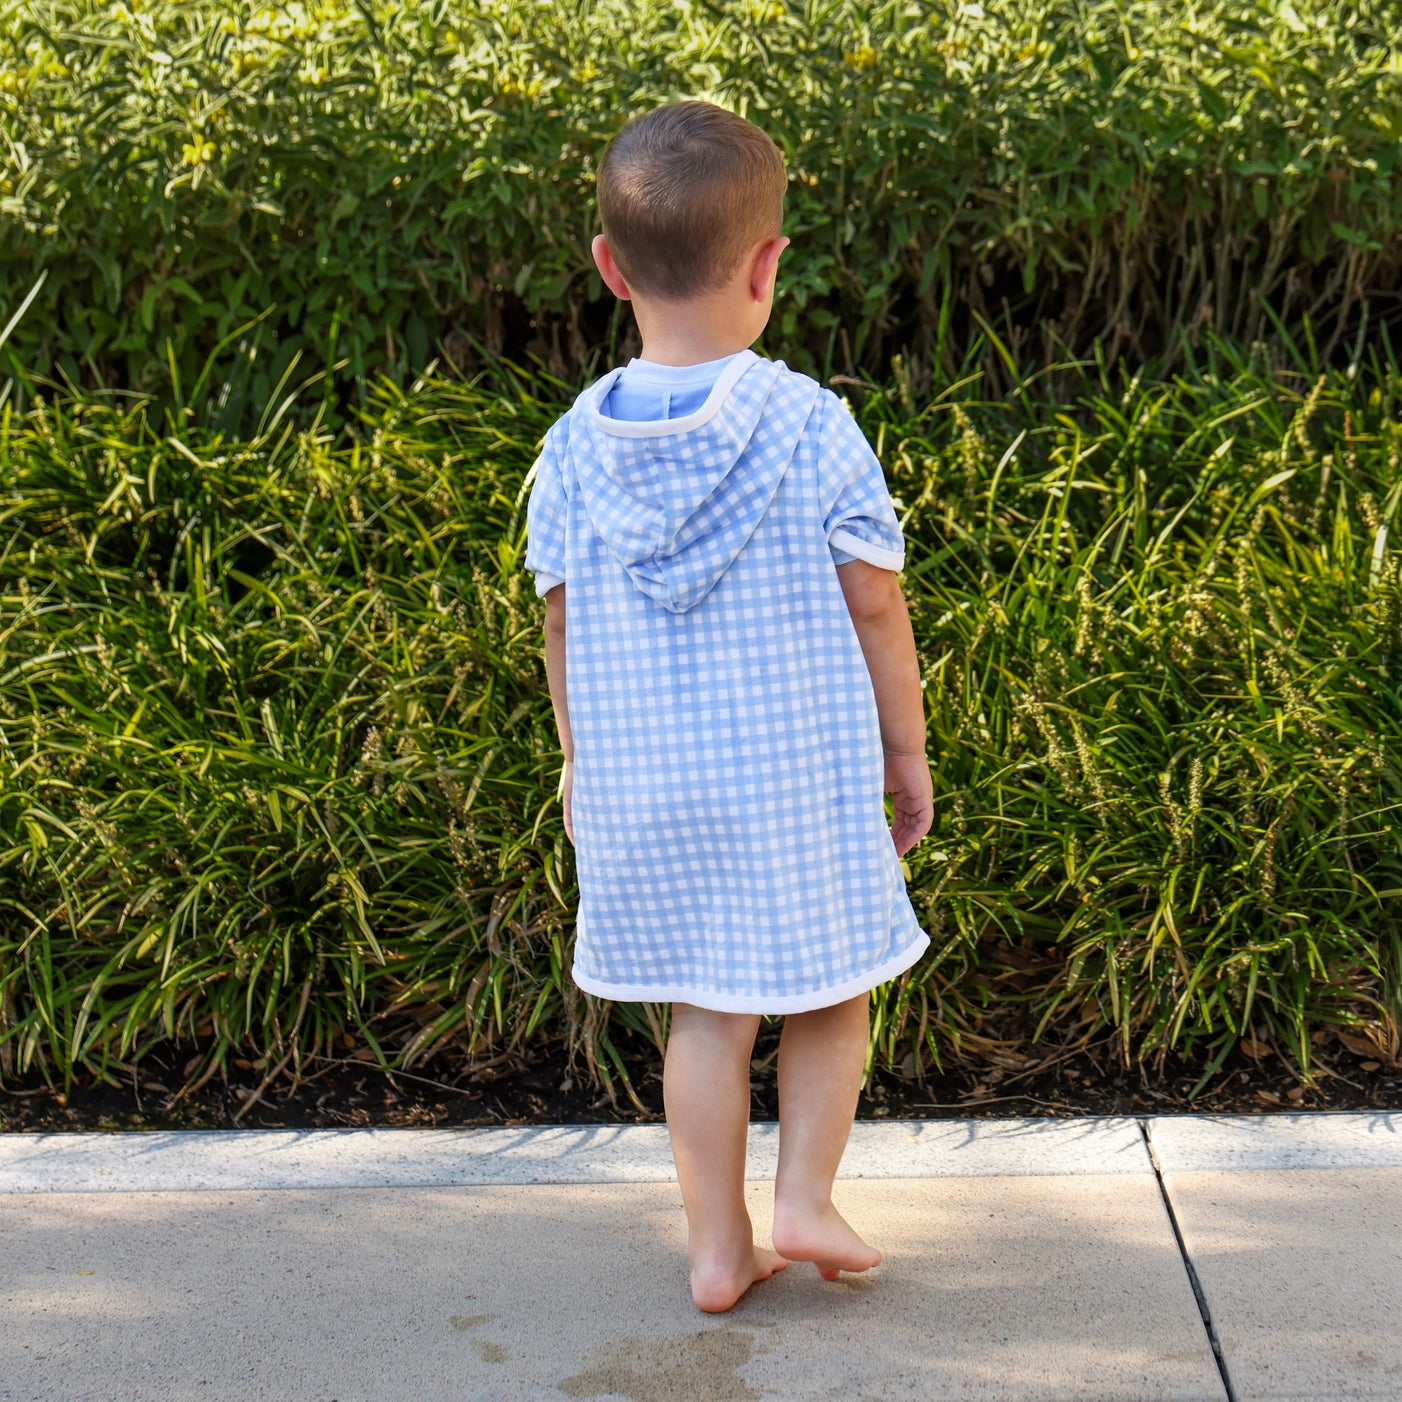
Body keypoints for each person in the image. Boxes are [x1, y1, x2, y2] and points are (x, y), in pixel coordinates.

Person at [524, 100, 933, 1313]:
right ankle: (804, 1195)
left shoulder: (570, 451)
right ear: (767, 266)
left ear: (609, 268)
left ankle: (717, 1247)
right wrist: (903, 752)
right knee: (830, 984)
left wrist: (575, 756)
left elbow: (556, 623)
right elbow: (874, 606)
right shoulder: (807, 422)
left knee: (707, 1011)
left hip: (651, 778)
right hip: (794, 774)